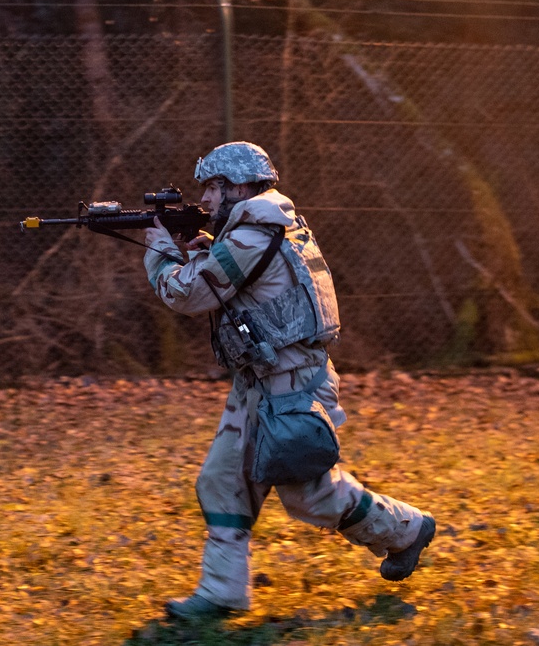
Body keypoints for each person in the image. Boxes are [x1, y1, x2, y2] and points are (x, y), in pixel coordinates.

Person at [143, 141, 435, 621]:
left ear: (238, 187)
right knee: (222, 481)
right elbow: (236, 282)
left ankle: (406, 529)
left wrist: (159, 252)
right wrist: (205, 249)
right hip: (260, 380)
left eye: (212, 188)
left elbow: (190, 293)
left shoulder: (255, 234)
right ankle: (221, 595)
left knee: (313, 496)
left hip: (291, 383)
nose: (206, 200)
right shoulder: (257, 229)